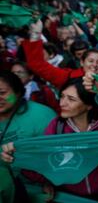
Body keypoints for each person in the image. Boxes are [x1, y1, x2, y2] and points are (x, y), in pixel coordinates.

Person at [1, 78, 98, 202]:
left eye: (71, 99)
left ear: (89, 105)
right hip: (70, 196)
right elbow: (46, 164)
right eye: (62, 97)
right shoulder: (56, 127)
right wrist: (18, 158)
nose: (62, 103)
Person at [0, 70, 56, 203]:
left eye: (2, 93)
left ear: (18, 92)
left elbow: (57, 156)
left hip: (34, 187)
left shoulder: (43, 116)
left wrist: (49, 180)